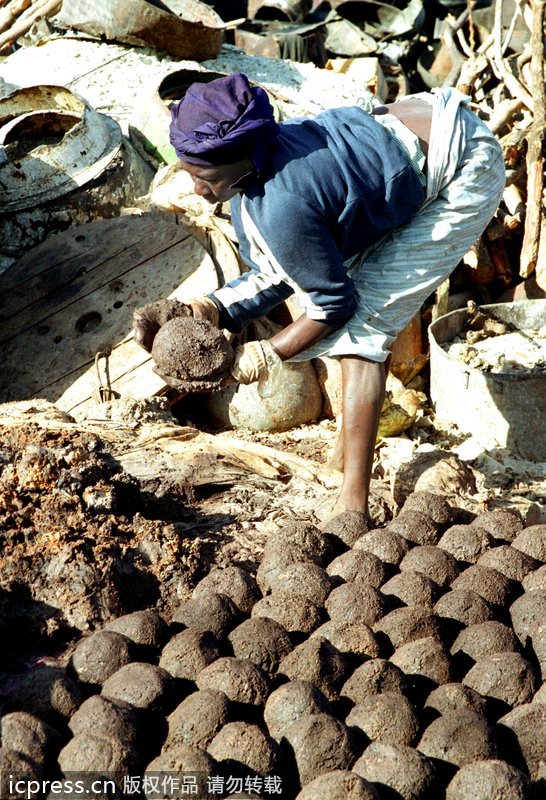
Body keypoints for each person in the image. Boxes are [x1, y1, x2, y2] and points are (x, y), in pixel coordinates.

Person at [133, 72, 505, 523]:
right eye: (189, 171)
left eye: (203, 176)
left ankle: (353, 501)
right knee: (361, 297)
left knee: (364, 328)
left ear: (242, 158)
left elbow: (334, 305)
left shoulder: (282, 203)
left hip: (462, 162)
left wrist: (267, 355)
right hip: (414, 131)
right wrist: (202, 310)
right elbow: (275, 273)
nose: (195, 188)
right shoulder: (251, 176)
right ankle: (345, 456)